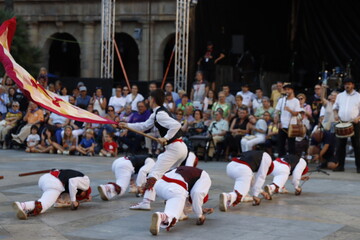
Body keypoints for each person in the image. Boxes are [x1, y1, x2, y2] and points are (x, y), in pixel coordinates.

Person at [119, 89, 188, 210]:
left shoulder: (160, 114)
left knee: (154, 173)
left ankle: (146, 202)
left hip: (174, 148)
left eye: (150, 99)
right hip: (179, 147)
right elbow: (144, 126)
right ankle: (175, 199)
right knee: (171, 174)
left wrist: (165, 138)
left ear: (153, 100)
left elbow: (176, 125)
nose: (148, 101)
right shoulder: (156, 113)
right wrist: (127, 125)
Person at [150, 166, 212, 235]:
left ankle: (176, 214)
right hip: (175, 189)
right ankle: (162, 217)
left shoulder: (192, 173)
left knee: (175, 201)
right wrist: (199, 215)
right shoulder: (205, 177)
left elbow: (190, 202)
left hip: (159, 185)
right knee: (172, 215)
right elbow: (197, 194)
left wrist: (201, 210)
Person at [13, 169, 92, 220]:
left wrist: (83, 200)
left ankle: (27, 209)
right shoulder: (86, 182)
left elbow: (58, 204)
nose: (79, 196)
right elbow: (72, 182)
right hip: (54, 183)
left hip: (45, 179)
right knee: (44, 205)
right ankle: (23, 206)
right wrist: (74, 200)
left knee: (46, 201)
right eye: (82, 195)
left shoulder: (71, 190)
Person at [333, 78, 360, 172]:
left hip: (354, 123)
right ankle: (340, 166)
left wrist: (358, 118)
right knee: (340, 146)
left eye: (349, 84)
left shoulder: (358, 96)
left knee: (357, 145)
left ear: (353, 85)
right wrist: (336, 115)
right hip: (342, 122)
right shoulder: (340, 96)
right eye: (345, 84)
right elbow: (335, 108)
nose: (347, 86)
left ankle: (359, 167)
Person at [274, 83, 301, 157]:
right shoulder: (281, 100)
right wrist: (278, 121)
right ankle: (280, 159)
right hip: (282, 125)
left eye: (288, 89)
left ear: (292, 90)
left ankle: (291, 160)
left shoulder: (296, 101)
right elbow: (277, 111)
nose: (287, 91)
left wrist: (289, 110)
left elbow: (296, 113)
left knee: (291, 144)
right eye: (285, 89)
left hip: (291, 125)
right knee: (280, 144)